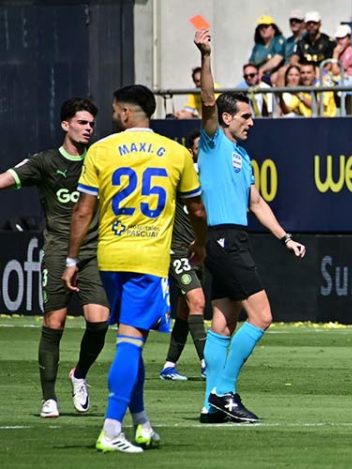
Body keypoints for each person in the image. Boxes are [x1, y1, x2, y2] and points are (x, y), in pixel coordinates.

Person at [62, 84, 207, 453]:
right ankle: (112, 428)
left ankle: (141, 422)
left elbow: (83, 210)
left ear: (126, 113)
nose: (113, 116)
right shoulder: (176, 154)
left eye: (114, 110)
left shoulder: (102, 150)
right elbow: (198, 210)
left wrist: (72, 259)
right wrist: (201, 244)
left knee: (133, 340)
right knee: (130, 342)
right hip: (148, 260)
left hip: (109, 257)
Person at [193, 29, 306, 424]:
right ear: (226, 118)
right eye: (245, 116)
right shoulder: (213, 143)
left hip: (232, 237)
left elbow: (257, 203)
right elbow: (208, 99)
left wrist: (285, 238)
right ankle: (225, 391)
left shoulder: (243, 156)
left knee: (224, 321)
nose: (252, 122)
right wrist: (207, 55)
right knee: (262, 316)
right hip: (222, 238)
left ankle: (210, 404)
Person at [0, 97, 109, 419]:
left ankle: (79, 374)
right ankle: (49, 398)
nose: (88, 128)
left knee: (100, 321)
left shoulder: (100, 161)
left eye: (91, 124)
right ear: (65, 125)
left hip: (92, 253)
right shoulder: (45, 162)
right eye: (82, 123)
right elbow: (5, 180)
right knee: (55, 322)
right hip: (58, 252)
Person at [160, 130, 208, 381]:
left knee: (184, 309)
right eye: (201, 146)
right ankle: (207, 364)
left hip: (198, 251)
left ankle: (169, 365)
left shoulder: (214, 175)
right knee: (197, 302)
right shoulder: (182, 174)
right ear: (191, 151)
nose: (206, 150)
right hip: (178, 249)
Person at [249, 15, 286, 80]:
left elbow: (277, 60)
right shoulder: (257, 46)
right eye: (261, 27)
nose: (263, 29)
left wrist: (262, 70)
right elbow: (251, 64)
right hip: (257, 78)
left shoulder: (279, 40)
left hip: (273, 76)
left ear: (273, 29)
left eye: (266, 26)